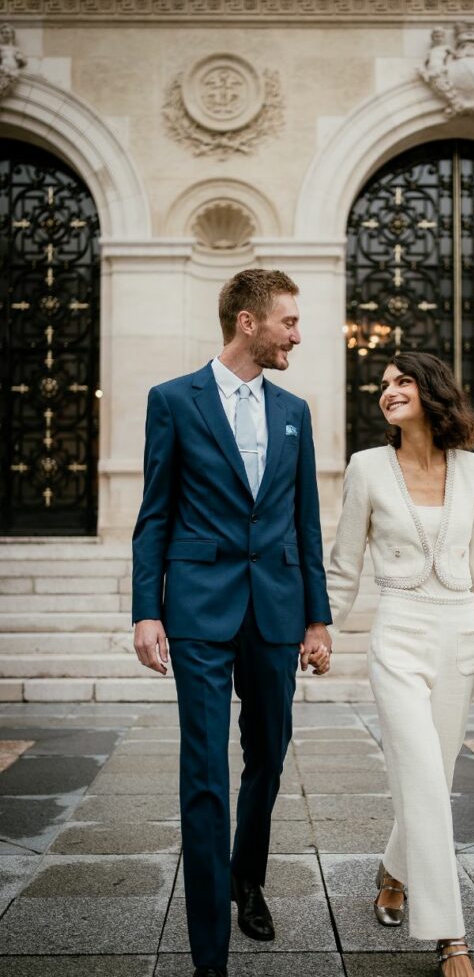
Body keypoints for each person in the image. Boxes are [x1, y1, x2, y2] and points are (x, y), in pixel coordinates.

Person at [132, 268, 333, 977]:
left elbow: (304, 520)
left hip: (277, 608)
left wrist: (317, 617)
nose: (297, 335)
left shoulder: (294, 411)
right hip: (198, 607)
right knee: (204, 770)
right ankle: (208, 955)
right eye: (288, 321)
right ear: (247, 323)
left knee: (269, 756)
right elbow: (154, 511)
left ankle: (247, 875)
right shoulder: (173, 401)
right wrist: (146, 609)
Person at [326, 351, 474, 977]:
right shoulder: (367, 467)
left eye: (402, 381)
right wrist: (322, 628)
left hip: (460, 638)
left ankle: (393, 870)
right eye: (383, 385)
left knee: (435, 779)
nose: (388, 392)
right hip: (399, 636)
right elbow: (345, 563)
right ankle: (450, 938)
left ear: (432, 391)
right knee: (425, 783)